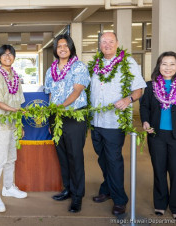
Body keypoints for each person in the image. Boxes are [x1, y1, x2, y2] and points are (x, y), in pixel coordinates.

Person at [88, 32, 146, 215]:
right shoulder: (95, 64)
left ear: (117, 43)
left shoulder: (127, 62)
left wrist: (128, 99)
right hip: (96, 121)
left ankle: (120, 199)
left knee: (113, 159)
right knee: (102, 158)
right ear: (99, 44)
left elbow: (139, 89)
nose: (106, 44)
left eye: (110, 41)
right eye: (103, 42)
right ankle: (107, 189)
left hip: (114, 122)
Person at [44, 34, 90, 213]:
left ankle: (78, 196)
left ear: (71, 47)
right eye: (59, 46)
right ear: (55, 49)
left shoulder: (79, 67)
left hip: (74, 116)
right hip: (56, 117)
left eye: (65, 45)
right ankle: (68, 189)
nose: (62, 48)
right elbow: (49, 94)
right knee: (62, 155)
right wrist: (51, 117)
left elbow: (77, 91)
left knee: (75, 156)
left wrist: (61, 106)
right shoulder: (51, 69)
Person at [0, 45, 27, 212]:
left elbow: (18, 102)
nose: (7, 56)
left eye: (10, 54)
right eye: (4, 54)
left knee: (11, 157)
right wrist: (15, 111)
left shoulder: (16, 77)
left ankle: (8, 187)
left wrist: (19, 123)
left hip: (12, 124)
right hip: (0, 125)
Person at [140, 51, 176, 219]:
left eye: (172, 64)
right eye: (164, 64)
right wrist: (145, 122)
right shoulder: (150, 86)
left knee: (175, 172)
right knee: (159, 170)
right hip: (157, 135)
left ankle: (175, 206)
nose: (168, 67)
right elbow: (144, 107)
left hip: (175, 136)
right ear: (158, 66)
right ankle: (160, 204)